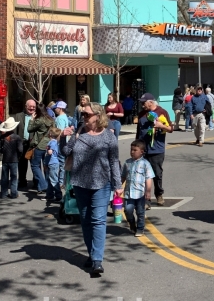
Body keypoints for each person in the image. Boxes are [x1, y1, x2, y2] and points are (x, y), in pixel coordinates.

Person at [62, 102, 121, 276]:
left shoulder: (109, 137)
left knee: (98, 220)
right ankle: (92, 253)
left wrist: (118, 185)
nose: (84, 117)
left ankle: (97, 260)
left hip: (101, 184)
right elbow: (65, 152)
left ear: (98, 116)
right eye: (83, 114)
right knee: (86, 220)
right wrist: (64, 137)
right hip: (80, 183)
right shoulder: (79, 132)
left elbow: (114, 162)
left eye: (87, 114)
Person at [136, 93, 173, 206]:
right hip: (143, 149)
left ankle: (159, 194)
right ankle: (145, 200)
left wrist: (161, 126)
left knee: (157, 174)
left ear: (151, 102)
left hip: (156, 149)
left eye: (144, 103)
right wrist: (136, 146)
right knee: (142, 175)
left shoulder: (162, 112)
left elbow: (170, 128)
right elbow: (138, 131)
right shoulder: (141, 114)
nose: (142, 105)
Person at [119, 139, 154, 237]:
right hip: (129, 193)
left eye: (135, 150)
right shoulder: (127, 163)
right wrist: (119, 187)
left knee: (140, 212)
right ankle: (132, 223)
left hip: (140, 193)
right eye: (131, 150)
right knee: (128, 210)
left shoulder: (145, 163)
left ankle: (140, 229)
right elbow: (123, 176)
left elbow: (149, 178)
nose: (132, 152)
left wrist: (148, 191)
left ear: (141, 152)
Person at [12, 99, 37, 189]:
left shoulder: (37, 116)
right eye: (30, 106)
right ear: (26, 106)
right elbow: (15, 130)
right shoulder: (18, 116)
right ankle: (22, 181)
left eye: (34, 107)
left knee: (35, 164)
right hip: (21, 143)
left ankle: (36, 182)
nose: (32, 108)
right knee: (22, 164)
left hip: (33, 144)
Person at [0, 117, 23, 199]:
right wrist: (19, 156)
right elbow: (20, 149)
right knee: (14, 177)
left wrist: (4, 151)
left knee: (4, 177)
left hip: (5, 159)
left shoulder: (2, 137)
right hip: (14, 159)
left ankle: (4, 194)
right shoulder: (17, 137)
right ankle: (14, 193)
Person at [45, 127, 63, 202]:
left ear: (50, 134)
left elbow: (50, 152)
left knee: (54, 180)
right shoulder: (55, 142)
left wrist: (48, 150)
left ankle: (58, 195)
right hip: (51, 163)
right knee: (49, 180)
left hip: (52, 163)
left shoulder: (52, 142)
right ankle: (49, 195)